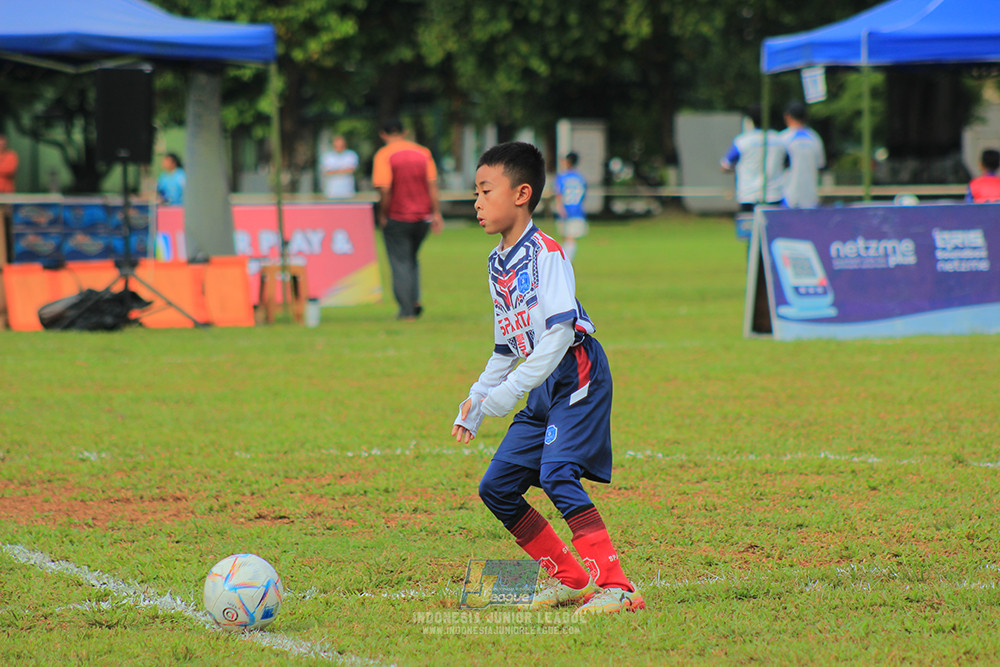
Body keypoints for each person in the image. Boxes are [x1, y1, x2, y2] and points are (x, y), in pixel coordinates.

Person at [452, 141, 644, 615]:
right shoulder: (498, 261)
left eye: (484, 190)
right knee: (495, 487)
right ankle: (570, 578)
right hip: (540, 382)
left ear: (521, 194)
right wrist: (477, 401)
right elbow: (506, 344)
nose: (476, 202)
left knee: (558, 473)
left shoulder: (546, 253)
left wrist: (510, 391)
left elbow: (558, 334)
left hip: (575, 371)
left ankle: (619, 589)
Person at [372, 118, 444, 320]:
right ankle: (414, 300)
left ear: (383, 134)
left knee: (400, 262)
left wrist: (383, 214)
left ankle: (406, 310)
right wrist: (436, 213)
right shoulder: (423, 153)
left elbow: (385, 189)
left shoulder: (384, 155)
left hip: (398, 216)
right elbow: (432, 185)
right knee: (412, 259)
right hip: (422, 218)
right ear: (404, 132)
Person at [720, 106, 786, 211]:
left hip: (748, 194)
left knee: (748, 225)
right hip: (774, 194)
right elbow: (788, 163)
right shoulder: (779, 140)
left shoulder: (742, 141)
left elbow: (725, 165)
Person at [780, 101, 826, 208]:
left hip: (788, 195)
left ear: (787, 116)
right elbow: (821, 166)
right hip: (810, 196)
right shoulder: (814, 138)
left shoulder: (783, 138)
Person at [554, 152, 587, 262]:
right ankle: (565, 260)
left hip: (566, 209)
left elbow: (559, 194)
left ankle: (566, 261)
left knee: (568, 237)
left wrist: (559, 207)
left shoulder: (562, 177)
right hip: (577, 210)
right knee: (570, 238)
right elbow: (583, 195)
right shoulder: (580, 178)